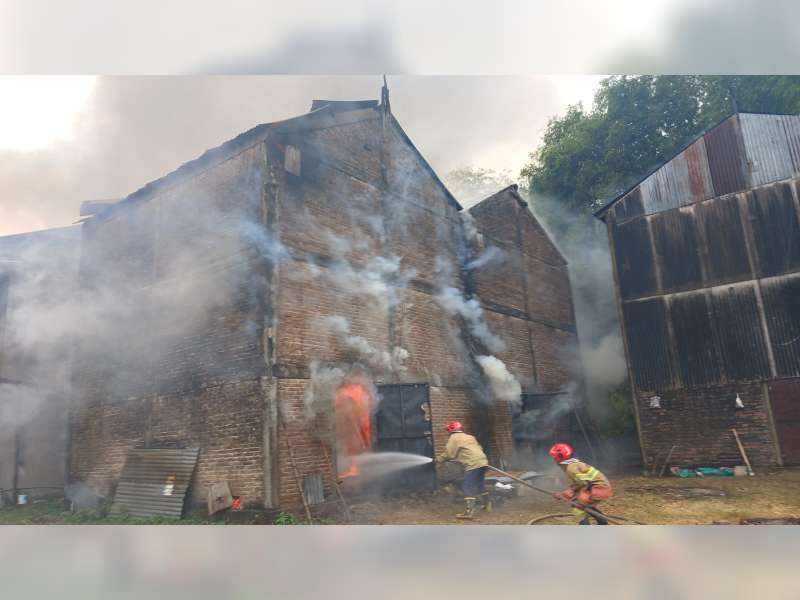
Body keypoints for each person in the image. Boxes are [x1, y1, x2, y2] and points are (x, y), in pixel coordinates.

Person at [435, 420, 491, 519]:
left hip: (472, 463)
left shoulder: (453, 438)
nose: (447, 432)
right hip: (483, 461)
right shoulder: (470, 437)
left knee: (467, 486)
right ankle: (487, 505)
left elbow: (450, 454)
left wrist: (439, 459)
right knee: (479, 483)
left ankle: (469, 512)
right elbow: (479, 448)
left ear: (450, 429)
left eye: (447, 430)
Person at [549, 442, 613, 525]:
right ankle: (603, 524)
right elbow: (580, 484)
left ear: (559, 457)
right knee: (586, 505)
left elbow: (582, 484)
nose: (553, 459)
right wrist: (564, 494)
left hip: (598, 489)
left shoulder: (571, 468)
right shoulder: (573, 463)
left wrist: (563, 495)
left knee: (577, 506)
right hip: (600, 488)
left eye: (554, 457)